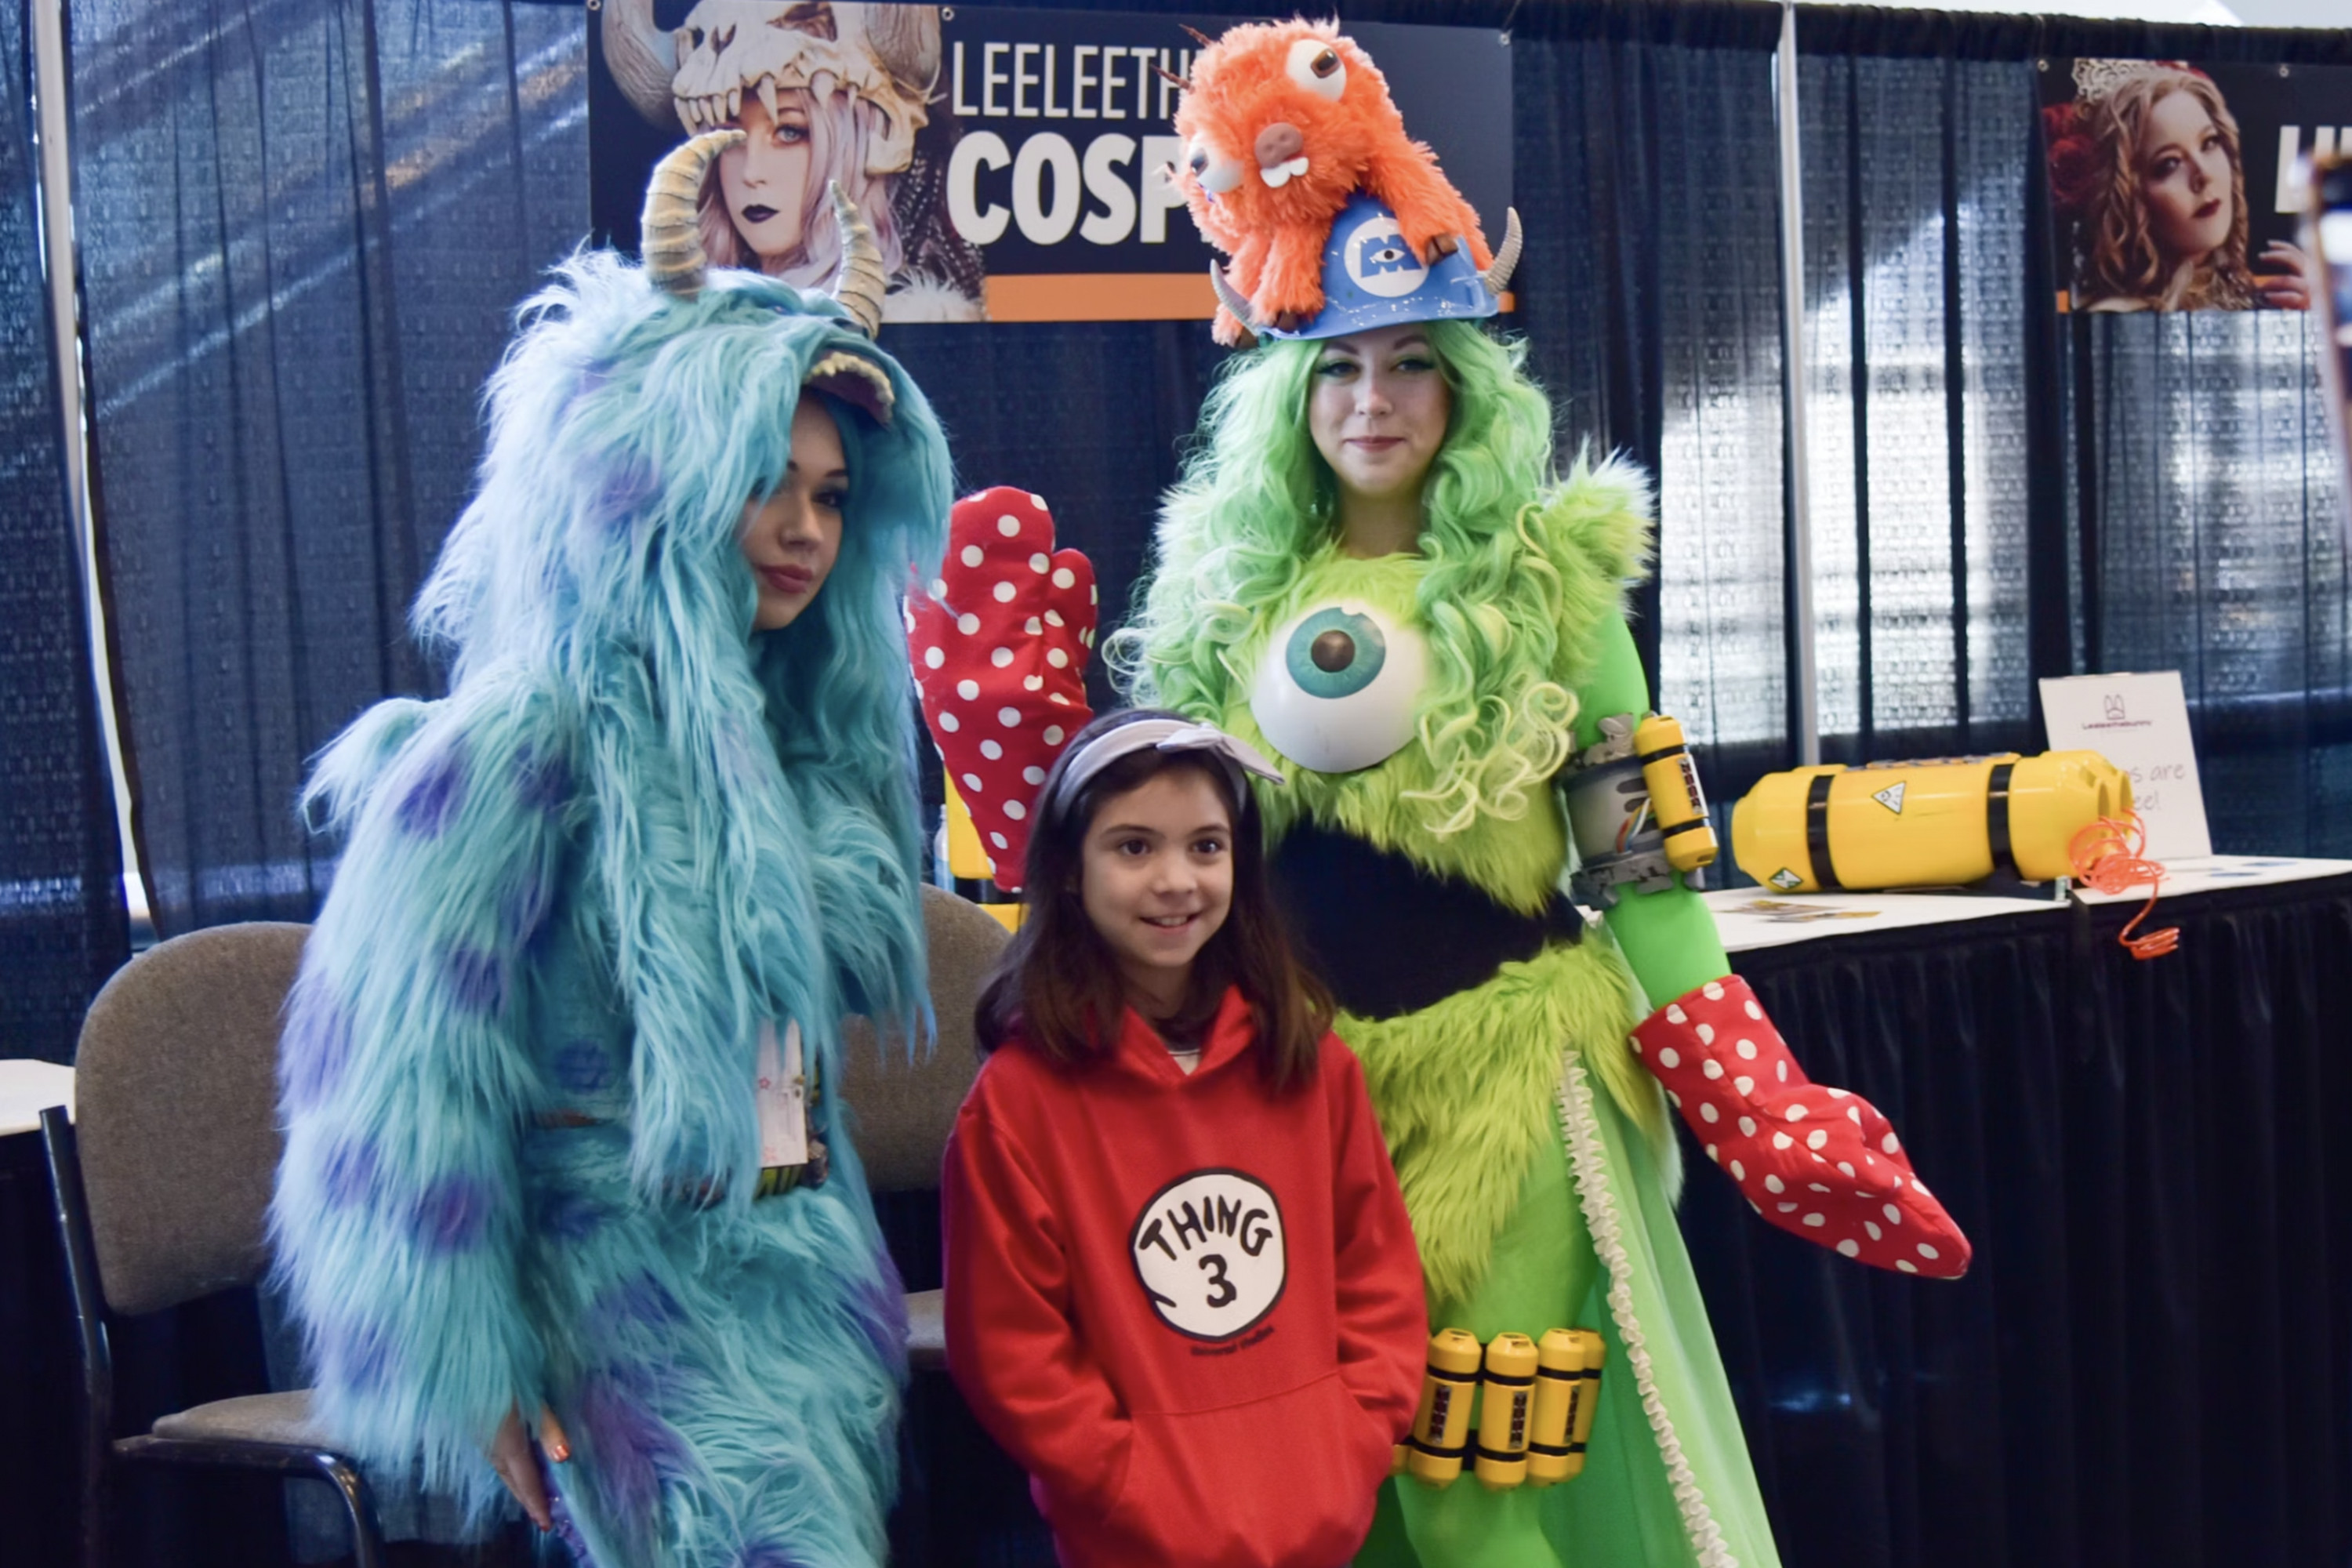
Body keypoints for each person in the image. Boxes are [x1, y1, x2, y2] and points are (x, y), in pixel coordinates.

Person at [1123, 29, 1972, 1561]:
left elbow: (1638, 867)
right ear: (1290, 385)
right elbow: (1169, 866)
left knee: (1475, 1480)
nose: (1374, 399)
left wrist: (1754, 1096)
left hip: (1512, 1102)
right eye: (1342, 363)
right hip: (1295, 1106)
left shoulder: (1552, 588)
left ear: (1465, 388)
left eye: (1413, 365)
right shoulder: (1220, 593)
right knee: (1323, 1489)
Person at [267, 132, 952, 1568]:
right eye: (767, 477)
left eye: (833, 495)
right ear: (655, 475)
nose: (804, 526)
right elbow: (395, 1092)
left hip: (793, 1266)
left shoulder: (799, 749)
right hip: (605, 1283)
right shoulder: (521, 740)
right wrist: (473, 1366)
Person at [941, 710, 1429, 1568]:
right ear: (1067, 873)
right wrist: (1125, 1480)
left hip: (1318, 1508)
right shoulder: (1017, 1106)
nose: (1176, 879)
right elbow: (1013, 1348)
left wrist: (1353, 1436)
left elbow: (1378, 1274)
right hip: (1134, 1532)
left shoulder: (1313, 1061)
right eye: (1134, 847)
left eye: (1206, 845)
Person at [603, 0, 986, 321]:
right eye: (730, 137)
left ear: (859, 144)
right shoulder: (687, 321)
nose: (752, 173)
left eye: (790, 132)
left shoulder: (915, 322)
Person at [2045, 58, 2310, 312]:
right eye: (2169, 164)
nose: (2203, 175)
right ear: (2128, 195)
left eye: (2209, 144)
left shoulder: (2250, 291)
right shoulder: (2119, 319)